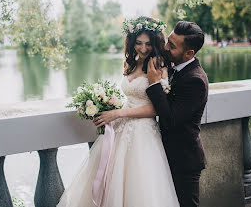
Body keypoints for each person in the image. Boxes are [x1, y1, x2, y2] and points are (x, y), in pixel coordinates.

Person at [57, 16, 179, 207]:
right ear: (131, 42)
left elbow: (157, 108)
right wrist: (107, 106)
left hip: (142, 134)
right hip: (120, 129)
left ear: (155, 43)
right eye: (138, 43)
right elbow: (129, 98)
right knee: (110, 181)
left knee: (139, 186)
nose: (144, 48)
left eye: (148, 44)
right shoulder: (130, 63)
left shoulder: (158, 65)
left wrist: (117, 114)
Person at [146, 21, 208, 207]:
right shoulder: (174, 67)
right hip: (166, 154)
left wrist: (154, 84)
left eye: (171, 46)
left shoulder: (195, 80)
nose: (165, 47)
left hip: (184, 161)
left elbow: (171, 119)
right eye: (167, 41)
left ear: (189, 53)